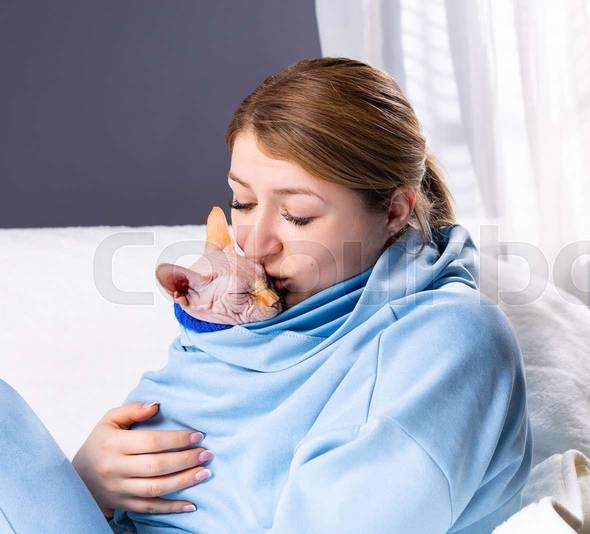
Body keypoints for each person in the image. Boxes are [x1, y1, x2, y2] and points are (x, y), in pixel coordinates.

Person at [13, 57, 532, 533]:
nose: (256, 243)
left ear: (395, 211)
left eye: (296, 215)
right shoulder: (253, 312)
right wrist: (89, 485)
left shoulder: (448, 335)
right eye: (242, 202)